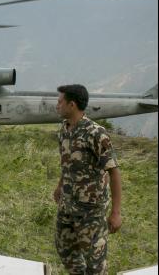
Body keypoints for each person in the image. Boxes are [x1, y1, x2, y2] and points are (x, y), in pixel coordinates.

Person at [53, 84, 122, 274]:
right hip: (67, 204)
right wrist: (60, 186)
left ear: (72, 105)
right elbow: (67, 163)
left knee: (95, 263)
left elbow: (114, 172)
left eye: (60, 102)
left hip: (90, 210)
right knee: (65, 249)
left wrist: (116, 212)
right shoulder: (64, 130)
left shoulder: (96, 133)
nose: (57, 105)